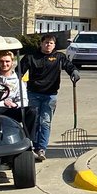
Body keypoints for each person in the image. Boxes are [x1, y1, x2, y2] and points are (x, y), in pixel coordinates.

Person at [19, 32, 80, 161]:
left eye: (51, 43)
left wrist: (74, 71)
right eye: (46, 42)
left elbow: (68, 66)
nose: (48, 45)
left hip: (50, 95)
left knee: (45, 122)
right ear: (41, 44)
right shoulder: (31, 57)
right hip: (33, 94)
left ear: (54, 45)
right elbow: (18, 72)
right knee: (34, 121)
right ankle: (33, 147)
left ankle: (41, 148)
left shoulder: (59, 57)